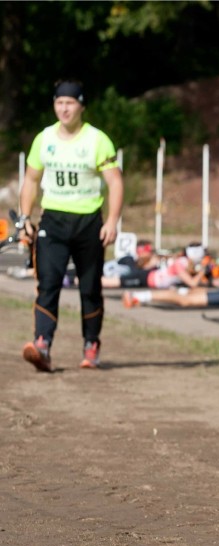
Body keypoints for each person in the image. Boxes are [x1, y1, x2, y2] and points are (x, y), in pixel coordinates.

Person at [18, 79, 124, 371]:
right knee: (48, 283)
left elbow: (115, 182)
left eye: (70, 103)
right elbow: (31, 180)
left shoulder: (97, 140)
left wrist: (112, 221)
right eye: (59, 102)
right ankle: (42, 344)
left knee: (89, 287)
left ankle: (91, 344)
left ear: (82, 106)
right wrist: (24, 218)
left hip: (89, 222)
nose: (64, 109)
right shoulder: (44, 139)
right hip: (53, 220)